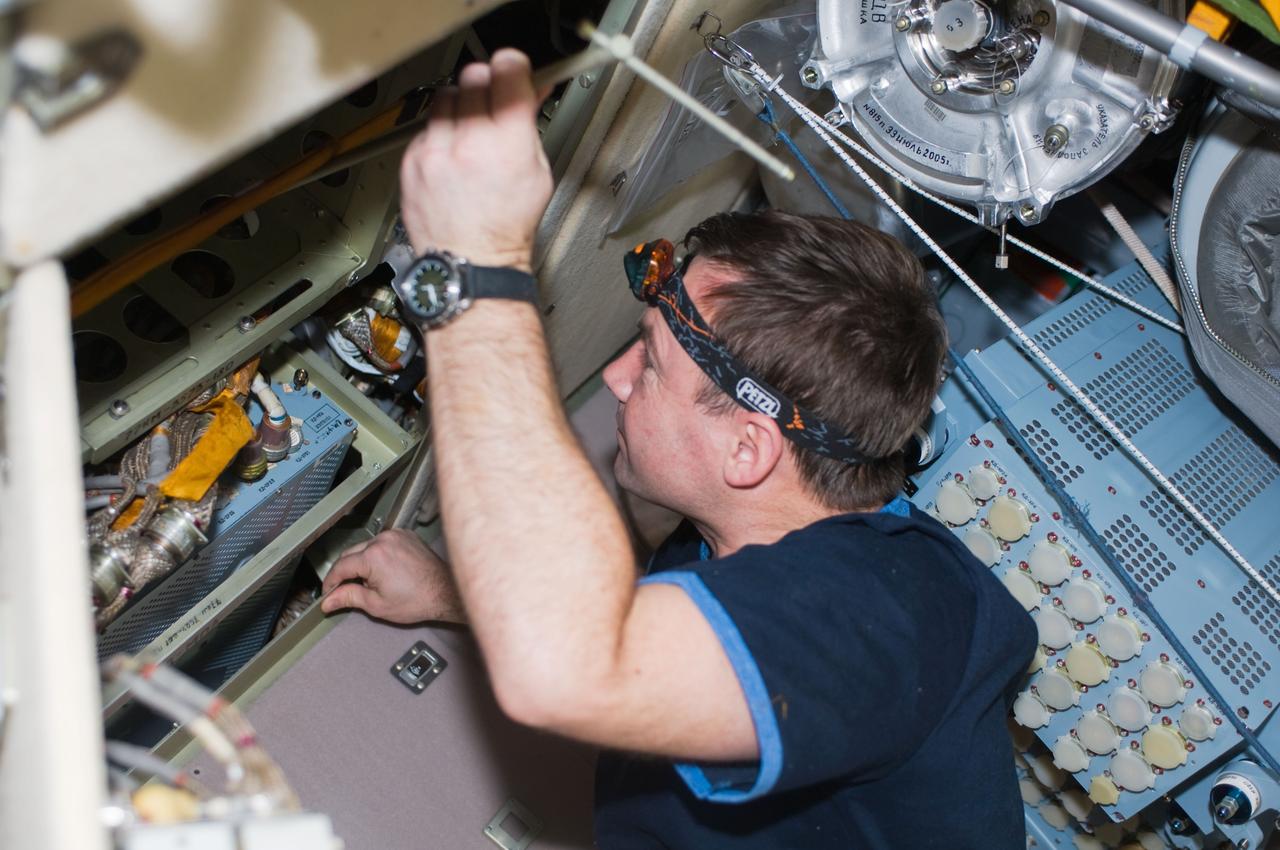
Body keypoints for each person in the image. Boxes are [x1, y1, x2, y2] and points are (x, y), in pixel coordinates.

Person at [320, 48, 1037, 848]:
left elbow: (579, 667)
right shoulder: (729, 543)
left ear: (748, 451)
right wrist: (455, 596)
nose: (619, 380)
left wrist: (472, 267)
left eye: (651, 364)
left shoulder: (892, 607)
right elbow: (640, 648)